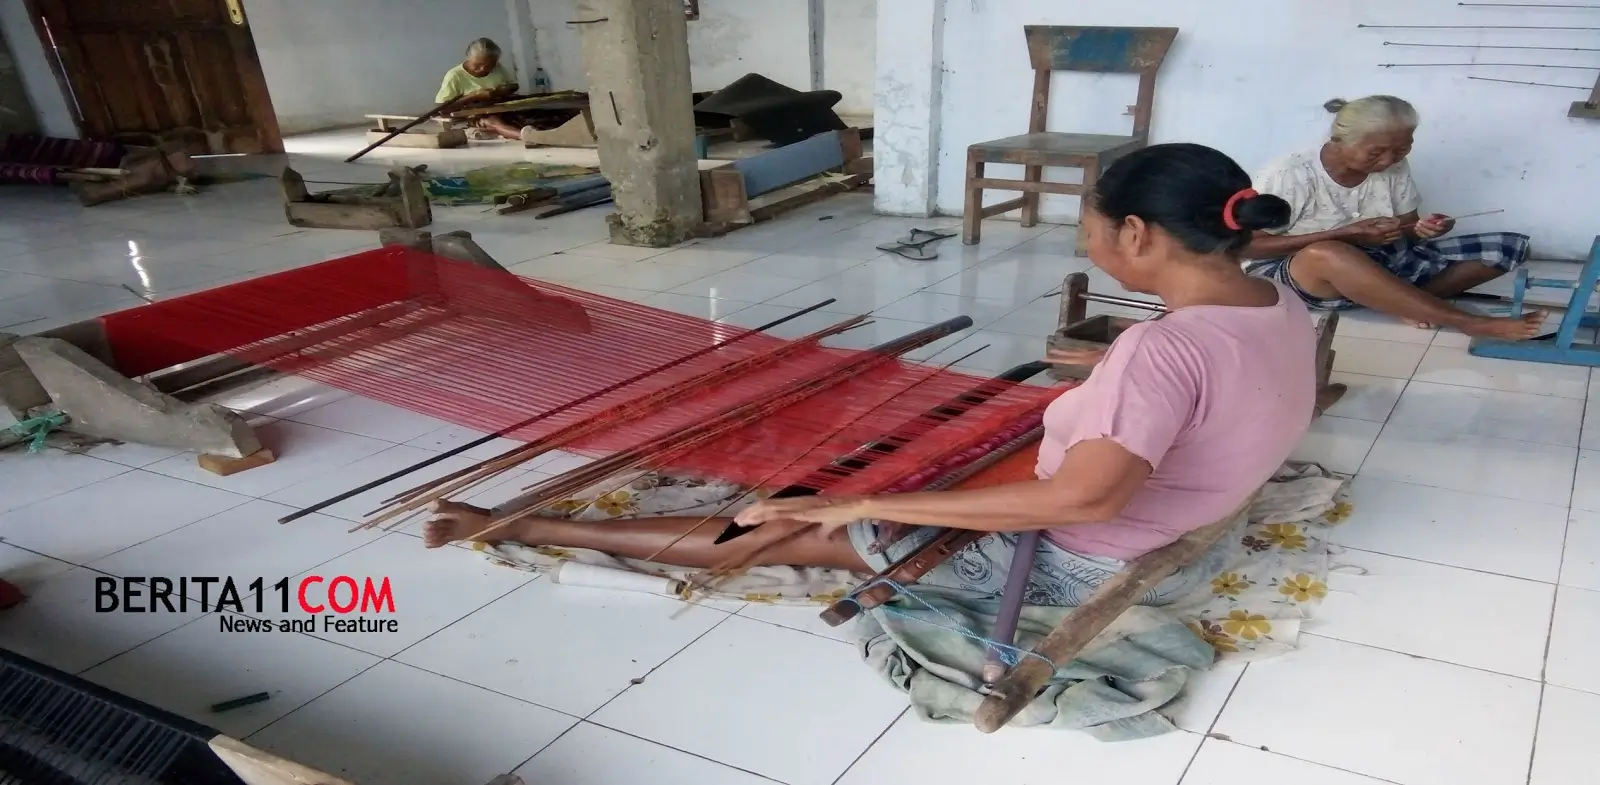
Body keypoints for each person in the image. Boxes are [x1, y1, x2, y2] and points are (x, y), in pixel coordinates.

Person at [424, 143, 1316, 607]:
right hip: (1187, 512)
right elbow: (1210, 390)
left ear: (1136, 234)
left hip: (1083, 560)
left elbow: (1086, 501)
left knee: (777, 525)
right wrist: (1101, 383)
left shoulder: (1161, 350)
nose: (1087, 246)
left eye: (1090, 231)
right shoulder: (1276, 301)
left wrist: (859, 504)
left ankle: (525, 522)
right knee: (864, 493)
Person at [1243, 95, 1544, 339]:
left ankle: (1397, 301)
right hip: (1302, 275)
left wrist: (1425, 228)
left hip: (1379, 261)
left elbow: (1407, 230)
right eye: (1376, 152)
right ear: (1339, 140)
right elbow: (1248, 246)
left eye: (1402, 149)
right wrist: (1346, 234)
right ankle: (1467, 322)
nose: (1389, 160)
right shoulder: (1290, 174)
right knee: (1328, 253)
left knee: (1510, 247)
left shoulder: (1394, 166)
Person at [436, 38, 535, 143]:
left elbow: (514, 86)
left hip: (500, 110)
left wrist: (501, 91)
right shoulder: (455, 75)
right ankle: (530, 137)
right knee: (492, 122)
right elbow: (442, 109)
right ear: (469, 58)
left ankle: (537, 133)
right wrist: (474, 96)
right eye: (478, 64)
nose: (483, 69)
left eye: (490, 65)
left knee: (533, 113)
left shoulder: (497, 68)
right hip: (473, 116)